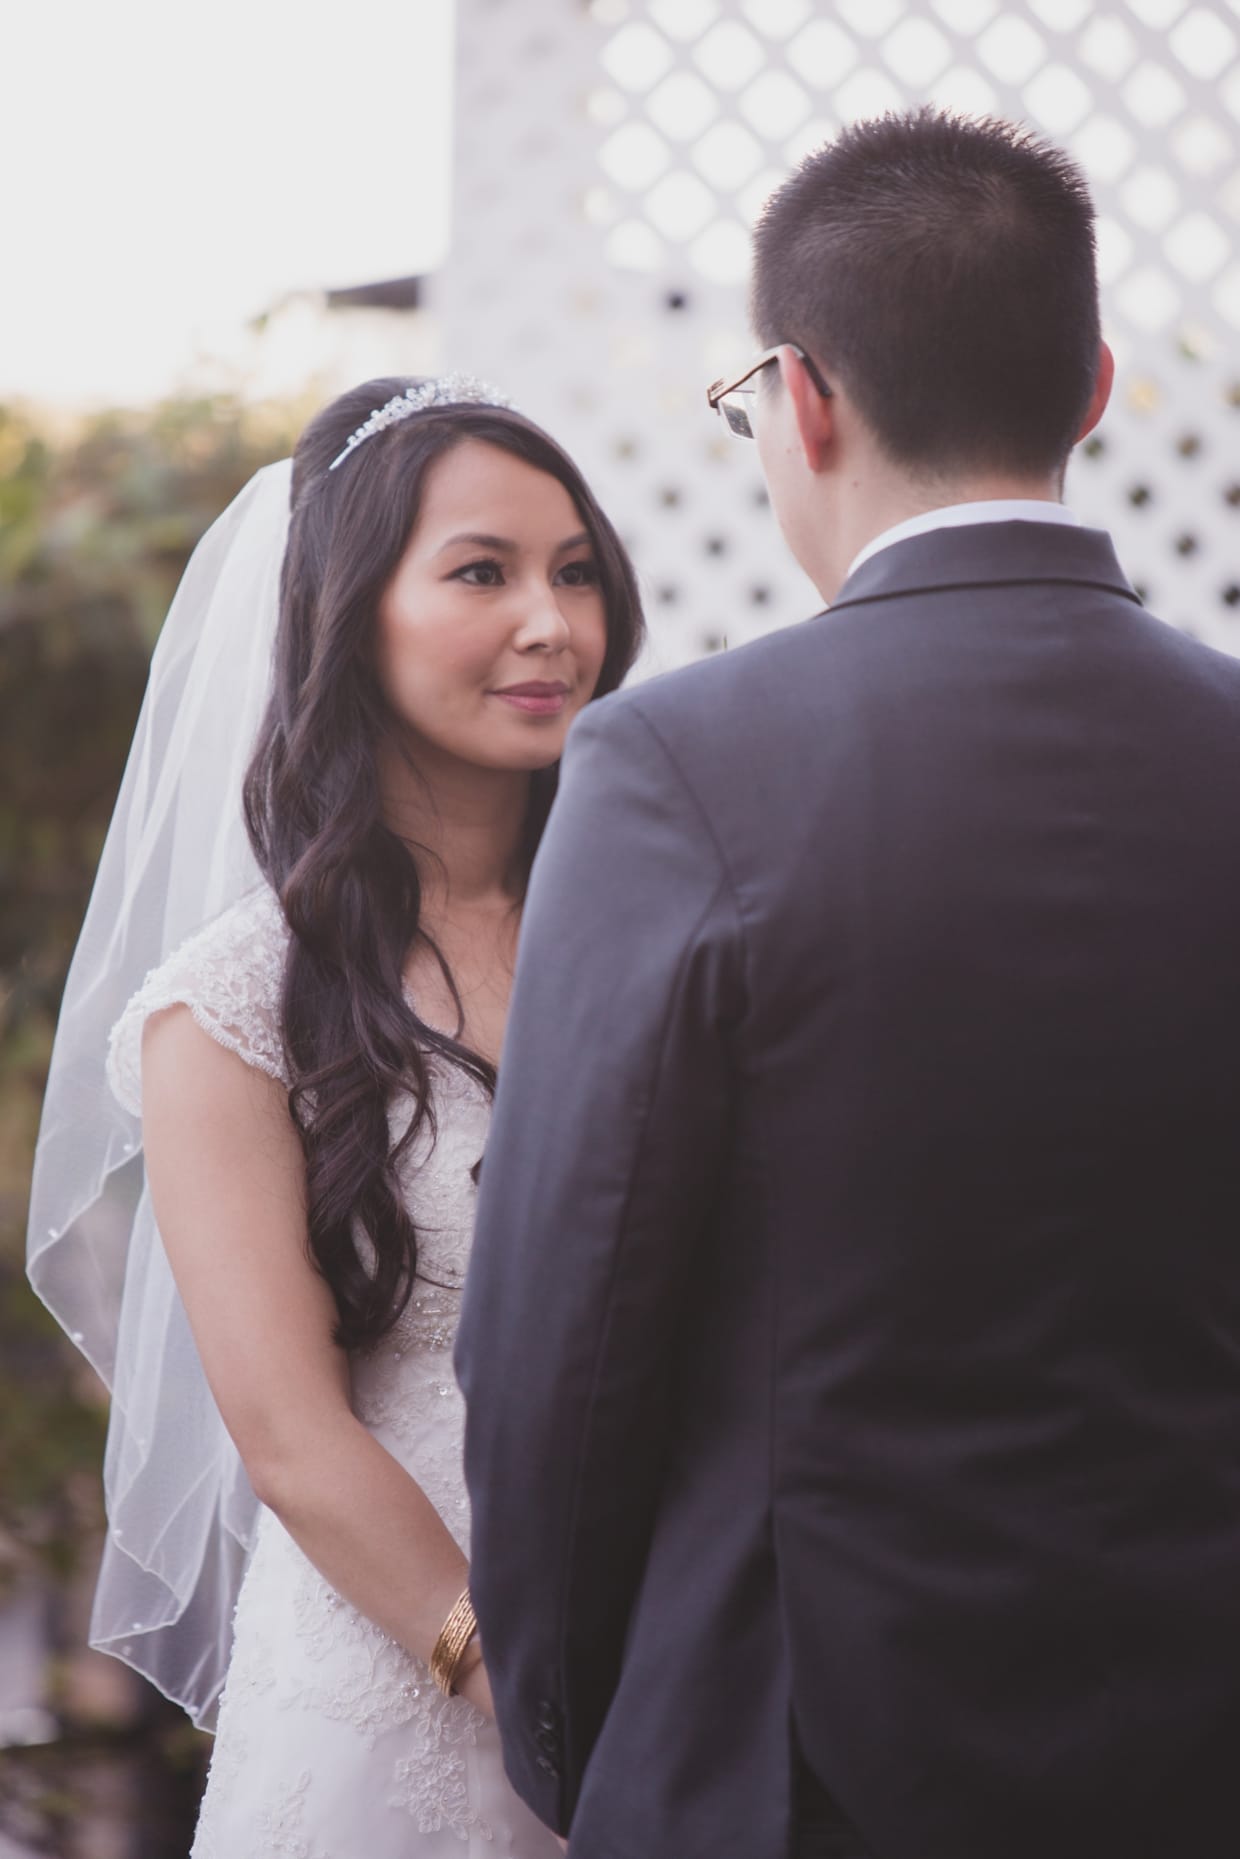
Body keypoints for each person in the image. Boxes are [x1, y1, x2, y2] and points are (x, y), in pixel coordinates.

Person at [456, 109, 1240, 1859]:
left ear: (800, 397)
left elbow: (560, 1335)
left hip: (789, 1756)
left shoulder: (677, 762)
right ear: (1094, 386)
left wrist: (588, 1740)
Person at [27, 374, 643, 1855]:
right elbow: (290, 1436)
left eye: (575, 573)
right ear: (349, 614)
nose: (551, 624)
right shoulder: (229, 1008)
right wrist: (512, 1680)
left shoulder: (654, 929)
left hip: (677, 1658)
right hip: (403, 1684)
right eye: (481, 573)